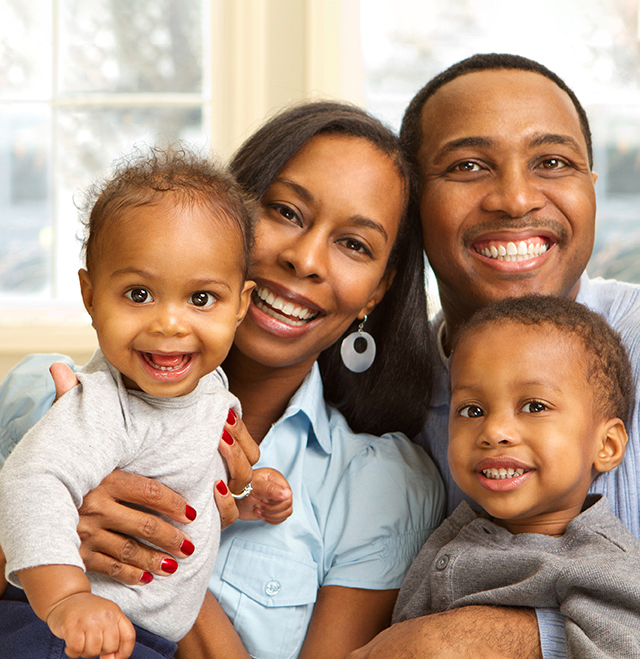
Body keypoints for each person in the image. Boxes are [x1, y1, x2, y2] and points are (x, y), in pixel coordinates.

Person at [0, 102, 445, 658]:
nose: (306, 259)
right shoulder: (42, 395)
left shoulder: (381, 487)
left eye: (354, 244)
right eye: (285, 211)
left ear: (377, 292)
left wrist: (165, 547)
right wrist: (55, 549)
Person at [347, 53, 640, 659]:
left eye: (553, 162)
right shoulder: (376, 402)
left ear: (590, 187)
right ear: (412, 207)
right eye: (469, 165)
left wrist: (513, 639)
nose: (513, 198)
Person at [0, 147, 296, 659]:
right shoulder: (102, 405)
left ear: (241, 304)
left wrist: (246, 499)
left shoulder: (211, 391)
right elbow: (32, 482)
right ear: (91, 297)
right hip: (64, 630)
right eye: (138, 294)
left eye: (201, 299)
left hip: (146, 635)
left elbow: (191, 496)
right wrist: (67, 599)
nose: (169, 324)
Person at [393, 295, 640, 658]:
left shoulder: (604, 566)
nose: (494, 431)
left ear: (606, 446)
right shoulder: (450, 535)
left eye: (534, 406)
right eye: (472, 409)